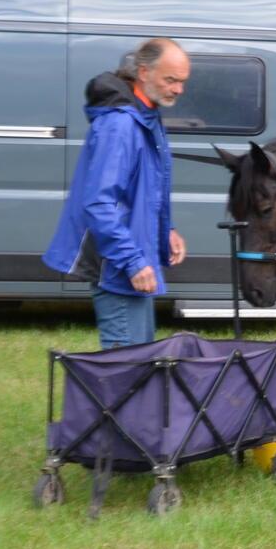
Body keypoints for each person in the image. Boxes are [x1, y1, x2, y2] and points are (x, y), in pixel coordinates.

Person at [43, 38, 191, 349]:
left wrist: (168, 229)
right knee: (125, 368)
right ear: (144, 72)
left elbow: (146, 190)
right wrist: (132, 262)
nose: (178, 89)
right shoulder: (120, 125)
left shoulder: (146, 116)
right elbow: (99, 204)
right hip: (117, 264)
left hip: (134, 256)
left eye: (182, 81)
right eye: (171, 80)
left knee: (141, 361)